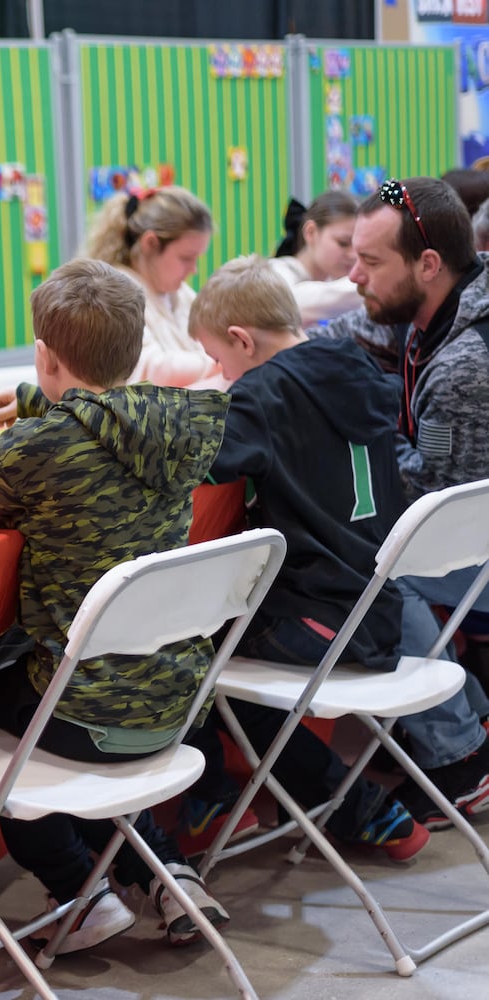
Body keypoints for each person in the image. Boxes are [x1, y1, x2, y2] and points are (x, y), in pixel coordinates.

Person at [0, 258, 229, 950]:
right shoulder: (176, 426)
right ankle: (167, 873)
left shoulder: (40, 446)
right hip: (176, 706)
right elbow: (99, 427)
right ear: (136, 350)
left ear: (45, 355)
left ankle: (78, 893)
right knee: (71, 702)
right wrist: (37, 402)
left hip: (87, 720)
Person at [182, 256, 489, 852]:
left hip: (325, 623)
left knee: (193, 651)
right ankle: (354, 805)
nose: (221, 375)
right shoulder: (357, 365)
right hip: (382, 609)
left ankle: (322, 805)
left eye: (220, 360)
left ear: (243, 340)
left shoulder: (261, 397)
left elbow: (200, 460)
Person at [325, 176, 489, 686]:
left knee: (367, 571)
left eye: (371, 263)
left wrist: (365, 422)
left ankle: (461, 748)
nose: (353, 276)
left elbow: (432, 501)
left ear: (428, 265)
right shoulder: (447, 301)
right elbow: (338, 333)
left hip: (477, 548)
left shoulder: (464, 366)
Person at [82, 186, 222, 387]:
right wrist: (225, 361)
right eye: (186, 258)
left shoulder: (180, 294)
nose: (194, 269)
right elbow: (149, 369)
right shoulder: (111, 296)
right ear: (150, 243)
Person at [270, 192, 363, 326]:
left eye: (358, 246)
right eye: (343, 243)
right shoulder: (275, 273)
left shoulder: (333, 281)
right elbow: (289, 304)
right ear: (311, 232)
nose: (353, 254)